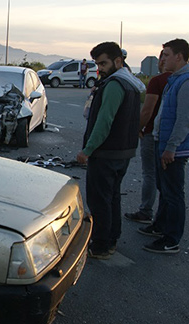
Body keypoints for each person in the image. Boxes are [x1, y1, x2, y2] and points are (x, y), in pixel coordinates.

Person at [76, 41, 145, 259]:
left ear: (118, 61)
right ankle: (111, 239)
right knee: (112, 197)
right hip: (123, 151)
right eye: (98, 64)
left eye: (104, 63)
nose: (100, 68)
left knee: (99, 200)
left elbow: (104, 122)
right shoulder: (132, 83)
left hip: (106, 154)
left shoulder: (115, 85)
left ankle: (101, 245)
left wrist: (87, 150)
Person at [140, 39, 189, 254]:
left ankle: (171, 240)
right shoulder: (173, 80)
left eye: (166, 55)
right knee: (164, 188)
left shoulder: (185, 81)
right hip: (164, 143)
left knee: (174, 194)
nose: (162, 59)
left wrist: (171, 147)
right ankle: (160, 226)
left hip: (174, 149)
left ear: (179, 57)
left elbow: (184, 119)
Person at [125, 51, 171, 224]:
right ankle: (163, 218)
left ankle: (145, 211)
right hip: (172, 137)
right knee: (168, 179)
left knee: (149, 174)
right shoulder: (181, 81)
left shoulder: (158, 81)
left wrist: (137, 128)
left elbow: (147, 110)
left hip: (152, 132)